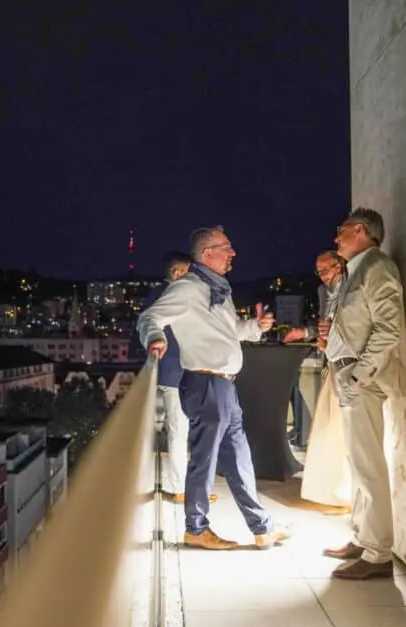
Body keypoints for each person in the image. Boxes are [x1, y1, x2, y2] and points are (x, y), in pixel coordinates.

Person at [137, 226, 290, 551]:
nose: (233, 253)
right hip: (205, 384)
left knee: (239, 459)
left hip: (223, 387)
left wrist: (255, 327)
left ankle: (262, 527)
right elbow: (150, 317)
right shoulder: (189, 287)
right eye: (226, 247)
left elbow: (228, 331)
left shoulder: (217, 288)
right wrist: (156, 337)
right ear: (208, 253)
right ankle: (195, 528)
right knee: (204, 460)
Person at [321, 208, 406, 580]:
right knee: (358, 463)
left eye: (341, 230)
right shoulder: (358, 269)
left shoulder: (377, 268)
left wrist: (359, 375)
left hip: (360, 379)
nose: (336, 237)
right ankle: (362, 538)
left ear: (359, 230)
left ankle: (377, 554)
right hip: (348, 375)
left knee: (368, 464)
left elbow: (388, 329)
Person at [143, 251, 216, 504]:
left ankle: (184, 487)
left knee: (179, 430)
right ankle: (181, 489)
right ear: (176, 273)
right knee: (179, 430)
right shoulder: (172, 296)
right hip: (177, 372)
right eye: (189, 273)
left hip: (171, 371)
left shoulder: (158, 294)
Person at [283, 251, 353, 510]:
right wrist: (305, 332)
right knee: (327, 426)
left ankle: (344, 490)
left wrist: (331, 335)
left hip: (349, 362)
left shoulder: (352, 286)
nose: (323, 275)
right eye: (319, 271)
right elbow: (322, 325)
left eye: (327, 269)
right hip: (330, 361)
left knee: (341, 428)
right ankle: (330, 488)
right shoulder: (324, 292)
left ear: (340, 264)